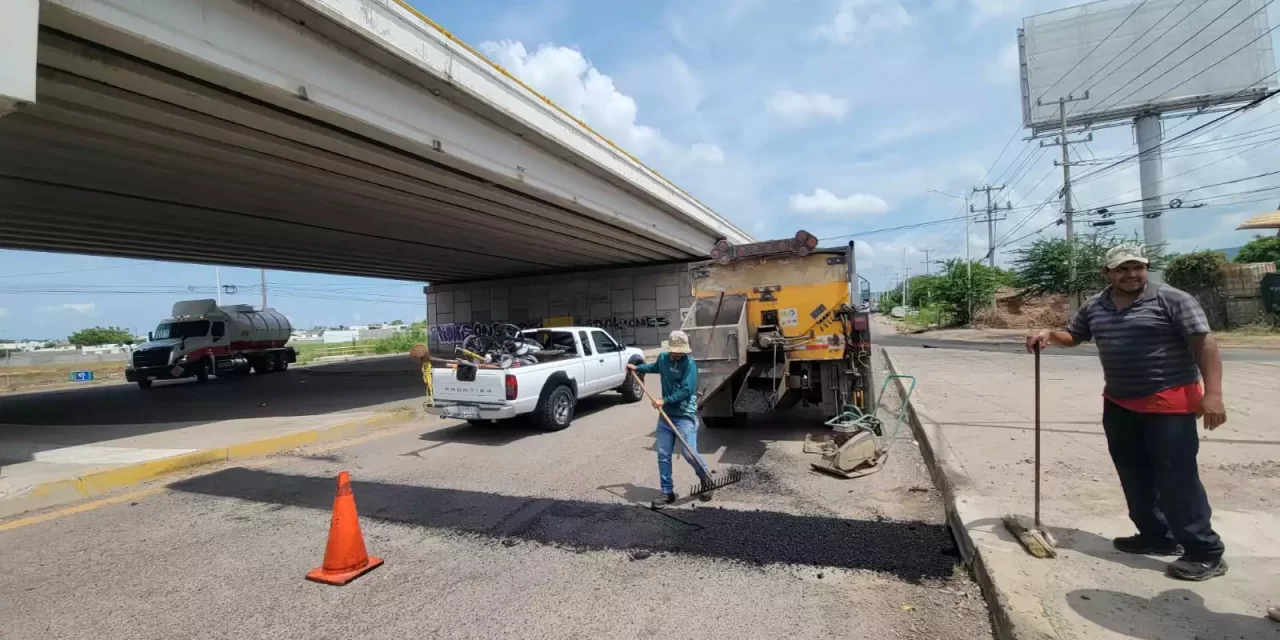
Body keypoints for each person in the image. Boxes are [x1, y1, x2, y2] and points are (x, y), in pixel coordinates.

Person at [1027, 245, 1228, 581]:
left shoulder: (1172, 299)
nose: (1131, 274)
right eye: (1122, 269)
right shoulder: (1096, 304)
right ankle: (1156, 536)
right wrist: (1049, 335)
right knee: (1134, 473)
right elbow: (1075, 336)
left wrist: (1214, 394)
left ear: (1146, 268)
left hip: (1170, 400)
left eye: (1138, 267)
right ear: (1107, 273)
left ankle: (1204, 551)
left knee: (1176, 479)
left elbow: (1204, 344)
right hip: (1120, 402)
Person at [627, 330, 713, 509]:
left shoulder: (689, 364)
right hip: (666, 416)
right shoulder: (664, 358)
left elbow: (686, 391)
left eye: (681, 351)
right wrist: (638, 368)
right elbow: (654, 368)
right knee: (663, 454)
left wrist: (664, 400)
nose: (677, 354)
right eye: (675, 350)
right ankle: (667, 492)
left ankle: (706, 478)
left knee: (689, 453)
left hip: (684, 414)